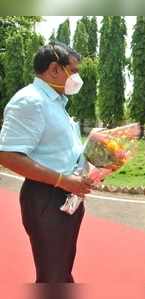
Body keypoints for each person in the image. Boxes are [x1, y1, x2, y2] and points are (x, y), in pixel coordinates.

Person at [0, 42, 92, 283]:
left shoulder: (55, 103)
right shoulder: (30, 101)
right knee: (52, 275)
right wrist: (63, 180)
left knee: (61, 270)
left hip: (67, 196)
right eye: (73, 70)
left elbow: (61, 151)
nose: (77, 77)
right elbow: (8, 155)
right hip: (46, 198)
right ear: (54, 69)